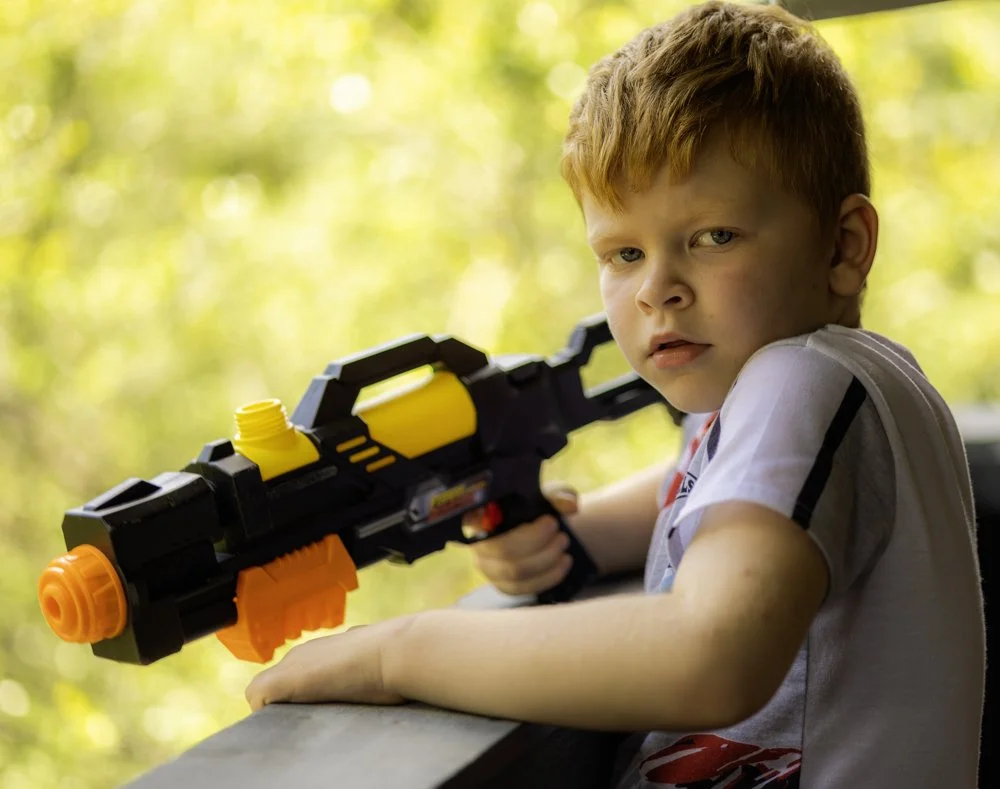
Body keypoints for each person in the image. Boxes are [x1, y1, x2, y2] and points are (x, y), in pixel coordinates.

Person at [244, 2, 986, 785]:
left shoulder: (806, 377)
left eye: (713, 237)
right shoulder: (813, 395)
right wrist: (571, 533)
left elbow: (711, 656)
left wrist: (399, 651)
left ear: (843, 247)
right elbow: (695, 494)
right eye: (624, 251)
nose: (657, 289)